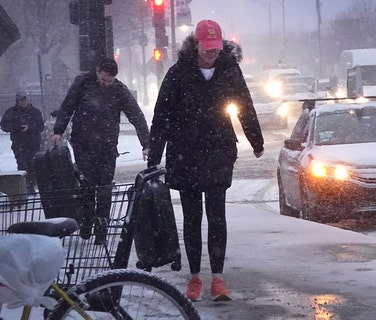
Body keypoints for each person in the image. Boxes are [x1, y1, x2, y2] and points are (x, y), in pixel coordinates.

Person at [147, 19, 264, 302]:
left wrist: (256, 141)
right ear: (195, 44)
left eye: (215, 48)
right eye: (206, 47)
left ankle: (218, 278)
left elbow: (245, 105)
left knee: (217, 216)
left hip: (218, 150)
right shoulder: (178, 73)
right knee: (191, 218)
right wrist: (154, 155)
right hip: (184, 152)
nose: (211, 53)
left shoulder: (229, 70)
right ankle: (195, 277)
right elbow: (161, 116)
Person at [51, 58, 150, 244]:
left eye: (110, 81)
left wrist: (146, 143)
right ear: (97, 72)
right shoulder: (82, 83)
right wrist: (58, 130)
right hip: (83, 143)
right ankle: (87, 222)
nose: (106, 84)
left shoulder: (119, 90)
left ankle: (101, 232)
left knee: (105, 189)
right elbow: (68, 106)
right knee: (87, 185)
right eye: (104, 80)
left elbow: (136, 115)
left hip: (107, 145)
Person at [1, 92, 44, 193]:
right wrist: (17, 128)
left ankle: (32, 185)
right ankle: (25, 186)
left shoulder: (35, 111)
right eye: (21, 100)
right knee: (22, 165)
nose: (23, 101)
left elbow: (40, 126)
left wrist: (29, 128)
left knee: (33, 165)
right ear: (17, 101)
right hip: (19, 143)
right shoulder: (11, 112)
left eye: (24, 99)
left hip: (33, 143)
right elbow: (4, 126)